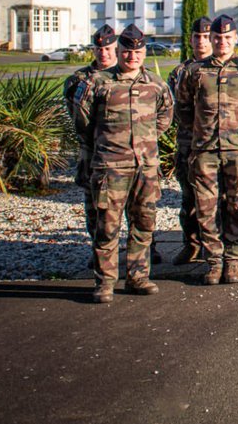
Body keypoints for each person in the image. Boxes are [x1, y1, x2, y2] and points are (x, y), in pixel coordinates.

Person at [73, 24, 173, 303]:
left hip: (145, 165)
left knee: (143, 223)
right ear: (118, 52)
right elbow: (83, 123)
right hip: (111, 166)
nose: (133, 57)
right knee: (107, 225)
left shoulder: (155, 84)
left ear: (143, 52)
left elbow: (165, 116)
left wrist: (145, 138)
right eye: (127, 52)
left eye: (137, 52)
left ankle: (138, 276)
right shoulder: (98, 83)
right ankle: (105, 281)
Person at [176, 14, 238, 285]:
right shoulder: (194, 72)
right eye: (217, 38)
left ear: (235, 39)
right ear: (210, 39)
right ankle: (214, 260)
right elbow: (182, 108)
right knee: (206, 207)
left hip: (237, 151)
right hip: (204, 150)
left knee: (235, 204)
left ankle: (233, 260)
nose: (222, 42)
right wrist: (199, 131)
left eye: (227, 38)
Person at [166, 16, 214, 265]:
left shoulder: (222, 70)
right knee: (189, 198)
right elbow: (171, 110)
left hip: (216, 146)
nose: (202, 42)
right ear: (191, 39)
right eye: (197, 37)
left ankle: (216, 248)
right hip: (187, 143)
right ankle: (192, 244)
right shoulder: (179, 73)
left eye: (207, 37)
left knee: (219, 200)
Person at [63, 24, 118, 239]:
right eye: (99, 49)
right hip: (93, 150)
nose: (103, 53)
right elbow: (76, 117)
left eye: (108, 49)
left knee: (133, 203)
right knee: (94, 201)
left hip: (125, 151)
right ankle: (98, 249)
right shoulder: (79, 80)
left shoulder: (129, 75)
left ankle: (143, 251)